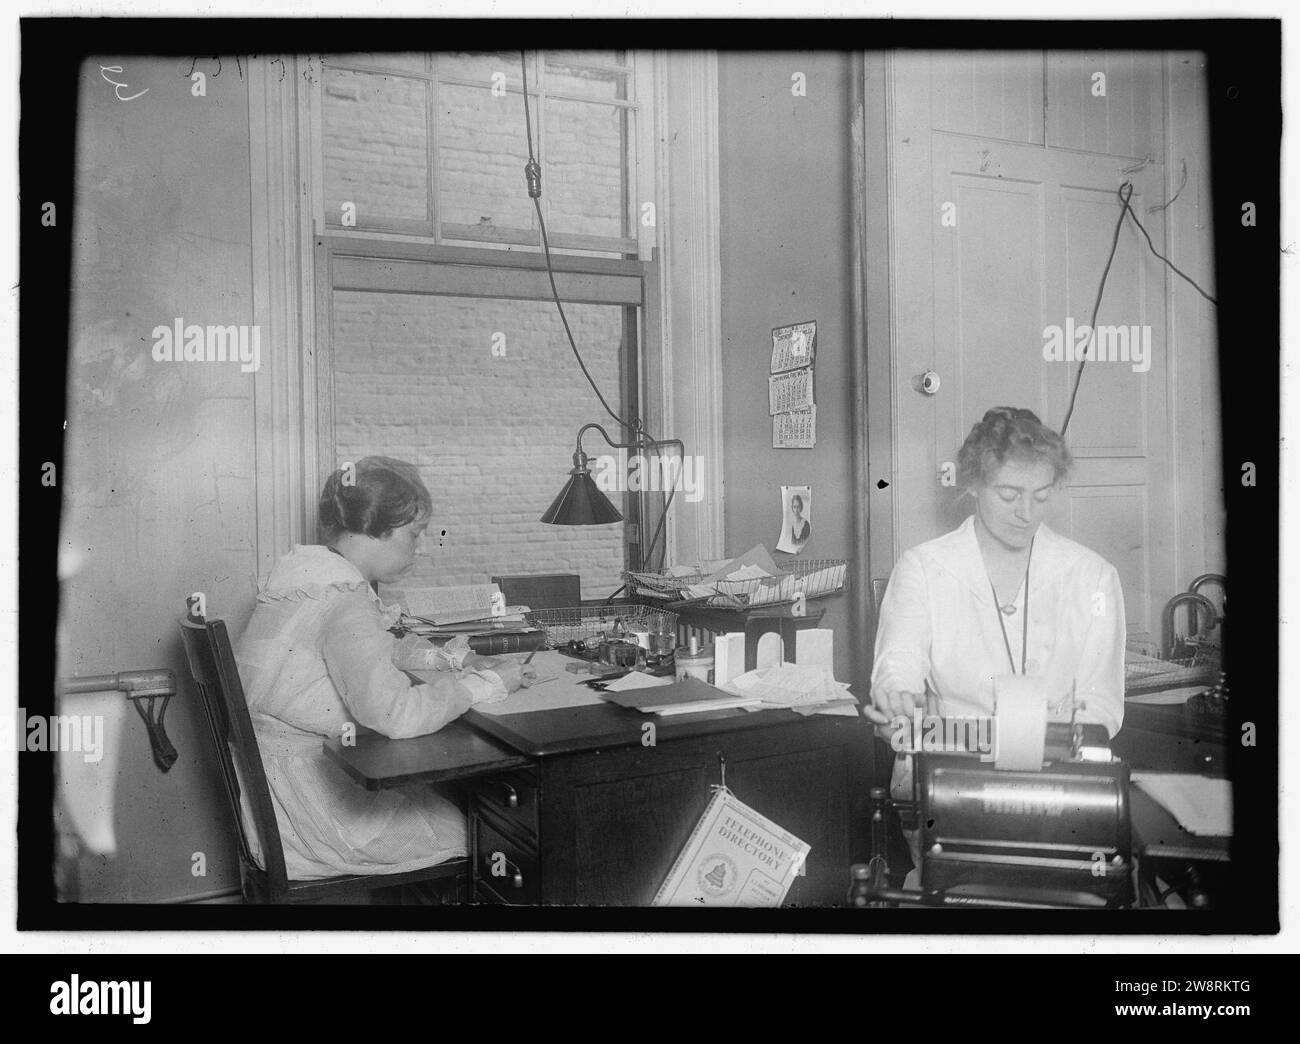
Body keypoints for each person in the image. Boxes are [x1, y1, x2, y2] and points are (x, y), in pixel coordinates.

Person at [234, 456, 535, 881]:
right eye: (415, 534)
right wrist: (484, 684)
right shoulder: (344, 597)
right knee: (483, 833)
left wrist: (455, 658)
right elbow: (395, 715)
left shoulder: (313, 574)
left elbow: (375, 647)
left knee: (451, 799)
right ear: (378, 530)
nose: (423, 547)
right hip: (304, 817)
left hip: (273, 792)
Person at [866, 407, 1126, 879]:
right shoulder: (924, 569)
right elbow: (898, 665)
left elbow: (1101, 705)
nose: (1026, 514)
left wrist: (1043, 753)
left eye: (1041, 496)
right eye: (1009, 494)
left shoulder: (1092, 577)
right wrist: (897, 703)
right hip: (949, 793)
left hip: (1062, 800)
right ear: (972, 485)